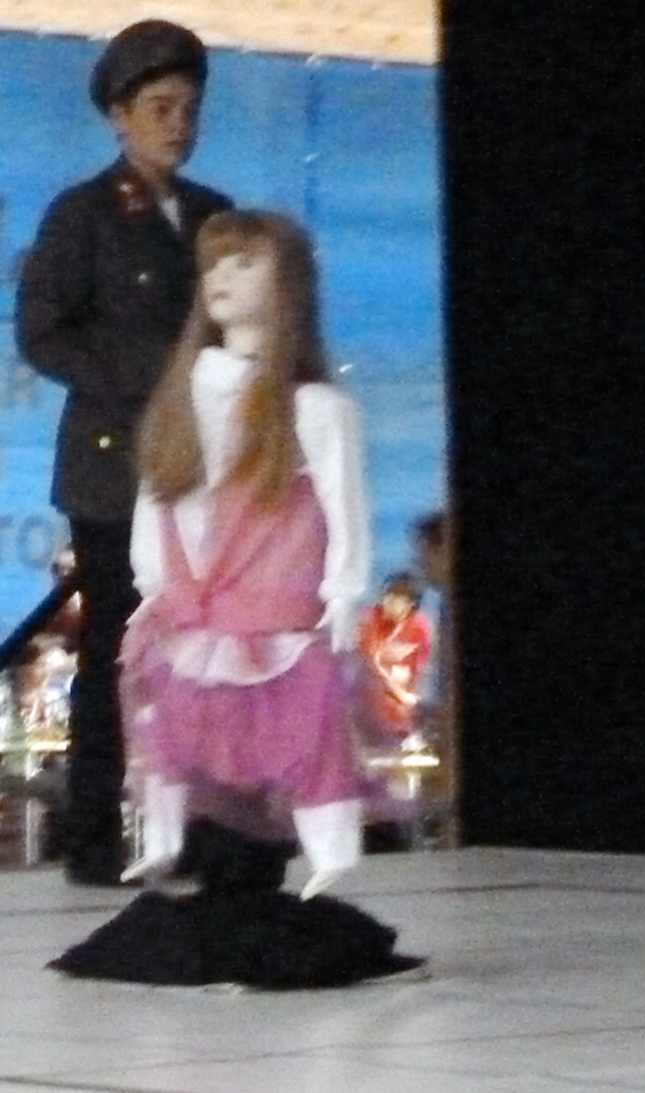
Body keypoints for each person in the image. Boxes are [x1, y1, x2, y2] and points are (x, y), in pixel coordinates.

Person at [16, 20, 232, 885]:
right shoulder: (83, 214)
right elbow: (42, 333)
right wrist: (149, 376)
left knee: (207, 650)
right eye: (160, 107)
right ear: (119, 115)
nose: (179, 124)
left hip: (203, 466)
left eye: (189, 109)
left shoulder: (214, 215)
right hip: (114, 466)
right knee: (114, 647)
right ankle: (95, 832)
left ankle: (209, 825)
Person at [117, 209, 373, 903]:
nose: (221, 278)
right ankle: (162, 838)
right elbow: (157, 498)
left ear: (287, 284)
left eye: (244, 263)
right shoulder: (180, 398)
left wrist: (343, 591)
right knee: (174, 722)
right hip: (190, 604)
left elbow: (344, 506)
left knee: (304, 729)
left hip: (272, 601)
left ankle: (330, 848)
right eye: (213, 265)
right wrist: (151, 585)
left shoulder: (313, 407)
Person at [358, 571, 434, 740]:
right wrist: (399, 694)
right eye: (386, 597)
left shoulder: (420, 628)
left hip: (402, 701)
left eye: (394, 600)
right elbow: (371, 665)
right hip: (373, 697)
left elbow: (419, 669)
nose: (387, 603)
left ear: (410, 604)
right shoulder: (370, 620)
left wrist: (410, 698)